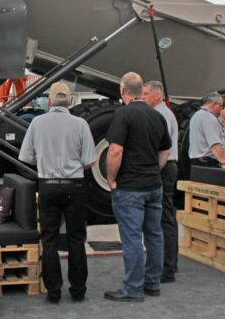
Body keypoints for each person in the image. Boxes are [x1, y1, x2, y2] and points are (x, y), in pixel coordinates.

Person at [19, 81, 96, 303]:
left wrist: (44, 159)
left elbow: (26, 157)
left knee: (49, 238)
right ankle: (78, 289)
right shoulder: (80, 124)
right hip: (75, 186)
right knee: (76, 238)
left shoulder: (37, 123)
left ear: (50, 101)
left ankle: (53, 290)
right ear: (69, 100)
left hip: (48, 184)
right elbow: (90, 161)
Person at [104, 73, 171, 302]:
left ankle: (133, 288)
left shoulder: (123, 114)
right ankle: (153, 283)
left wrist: (111, 178)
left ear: (123, 91)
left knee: (132, 237)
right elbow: (165, 152)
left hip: (130, 187)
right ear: (142, 90)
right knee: (154, 234)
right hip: (154, 185)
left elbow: (115, 150)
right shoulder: (157, 116)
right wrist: (155, 170)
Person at [142, 80, 179, 283]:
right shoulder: (164, 113)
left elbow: (160, 147)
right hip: (167, 166)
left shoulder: (161, 115)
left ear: (157, 95)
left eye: (146, 94)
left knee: (164, 217)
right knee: (166, 216)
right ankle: (170, 263)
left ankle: (167, 267)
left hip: (164, 167)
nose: (144, 97)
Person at [188, 92, 225, 169]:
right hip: (208, 163)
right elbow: (215, 144)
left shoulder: (196, 115)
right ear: (214, 104)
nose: (221, 109)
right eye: (221, 106)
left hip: (197, 163)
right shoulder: (208, 117)